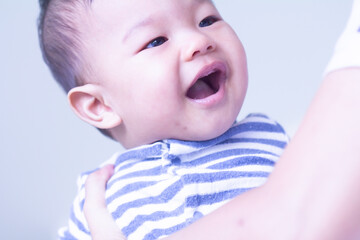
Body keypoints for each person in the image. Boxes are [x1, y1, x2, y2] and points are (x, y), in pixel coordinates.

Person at [37, 0, 360, 239]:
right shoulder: (101, 197)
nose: (199, 41)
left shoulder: (269, 138)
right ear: (98, 105)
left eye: (207, 19)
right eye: (156, 41)